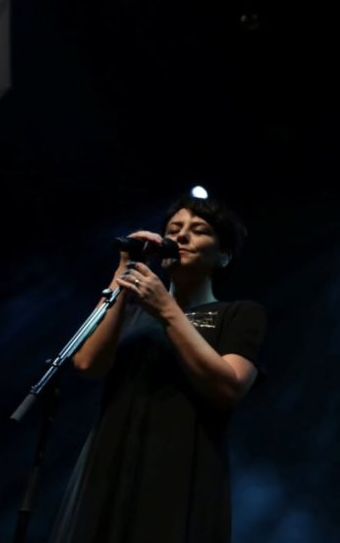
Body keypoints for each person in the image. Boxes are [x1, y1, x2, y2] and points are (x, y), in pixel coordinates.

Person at [49, 196, 268, 543]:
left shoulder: (240, 314)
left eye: (199, 231)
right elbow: (88, 363)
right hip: (111, 457)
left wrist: (167, 310)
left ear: (223, 255)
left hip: (182, 463)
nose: (181, 237)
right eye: (173, 229)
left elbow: (229, 387)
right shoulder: (132, 313)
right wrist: (125, 266)